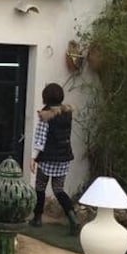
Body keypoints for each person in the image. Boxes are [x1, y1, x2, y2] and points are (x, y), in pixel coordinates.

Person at [28, 83, 79, 233]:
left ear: (46, 97)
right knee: (59, 189)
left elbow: (40, 139)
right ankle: (73, 219)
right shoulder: (66, 113)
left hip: (48, 157)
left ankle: (37, 218)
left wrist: (34, 158)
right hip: (64, 156)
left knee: (40, 187)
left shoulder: (45, 115)